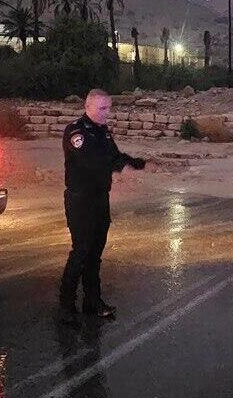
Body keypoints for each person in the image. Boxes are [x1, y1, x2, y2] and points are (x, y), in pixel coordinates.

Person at [59, 89, 146, 324]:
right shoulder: (76, 131)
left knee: (95, 253)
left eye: (109, 108)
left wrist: (133, 163)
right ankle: (66, 305)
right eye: (102, 108)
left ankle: (92, 302)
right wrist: (120, 167)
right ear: (88, 106)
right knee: (81, 251)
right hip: (81, 200)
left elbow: (114, 155)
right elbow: (91, 160)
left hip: (99, 199)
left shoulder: (102, 131)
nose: (107, 113)